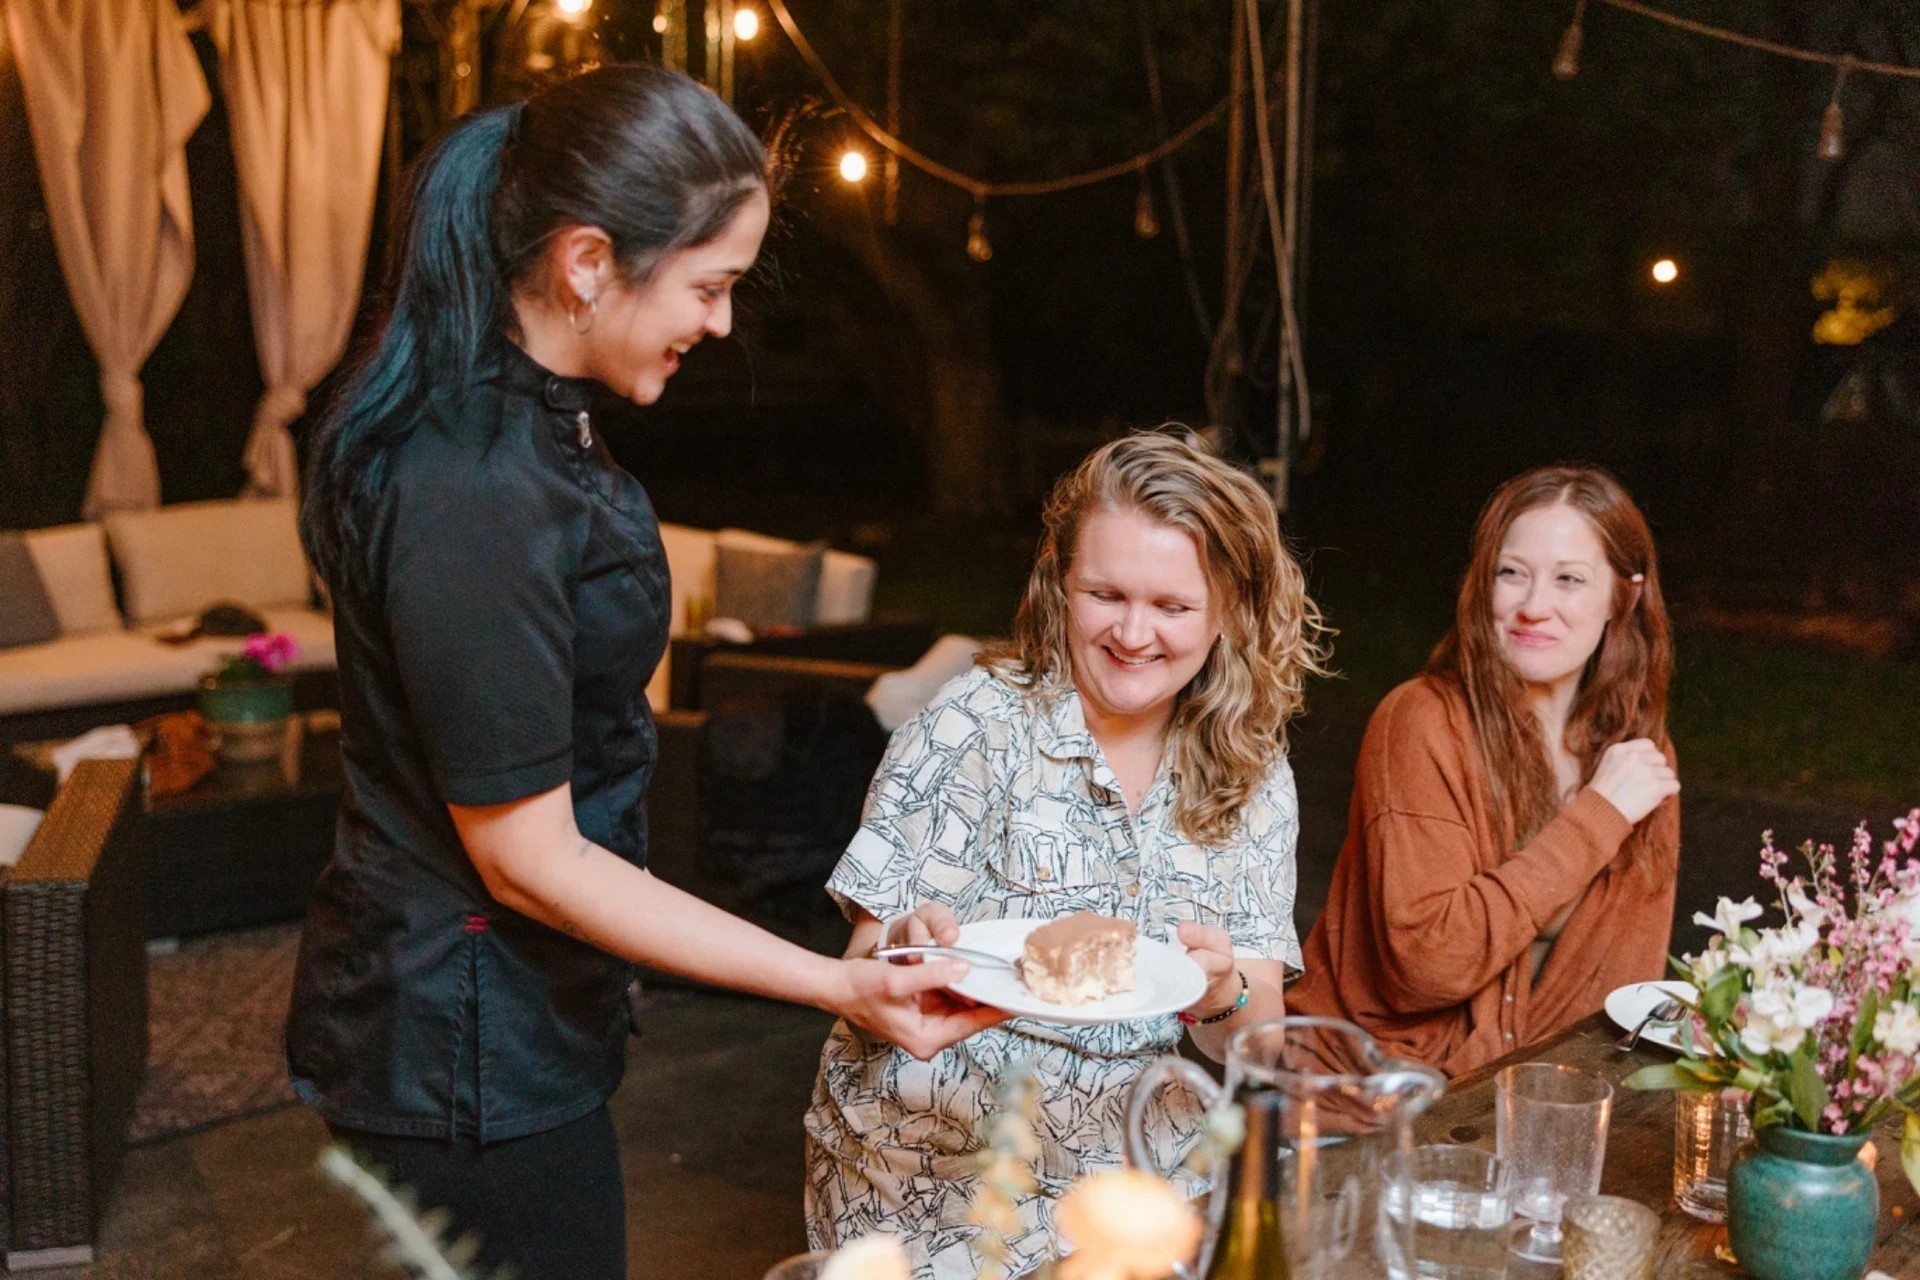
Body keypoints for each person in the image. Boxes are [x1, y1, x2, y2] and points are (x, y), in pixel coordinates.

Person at [288, 66, 1002, 1280]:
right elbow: (530, 855)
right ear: (584, 263)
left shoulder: (529, 418)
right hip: (465, 1050)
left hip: (516, 1027)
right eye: (709, 285)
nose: (722, 323)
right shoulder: (474, 487)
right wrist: (837, 982)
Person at [803, 431, 1332, 1279]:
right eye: (1105, 593)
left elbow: (1257, 1043)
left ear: (1228, 608)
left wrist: (1223, 993)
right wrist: (907, 942)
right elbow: (866, 966)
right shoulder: (972, 725)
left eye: (1172, 606)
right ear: (1061, 584)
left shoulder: (1253, 772)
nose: (1132, 632)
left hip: (1139, 1199)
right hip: (938, 1190)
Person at [1286, 464, 1681, 1077]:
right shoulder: (1420, 722)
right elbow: (1428, 964)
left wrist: (1553, 1112)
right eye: (1512, 574)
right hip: (1365, 1097)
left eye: (1569, 579)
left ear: (1621, 598)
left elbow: (1623, 985)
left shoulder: (1638, 755)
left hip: (1524, 1099)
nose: (1532, 606)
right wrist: (1597, 817)